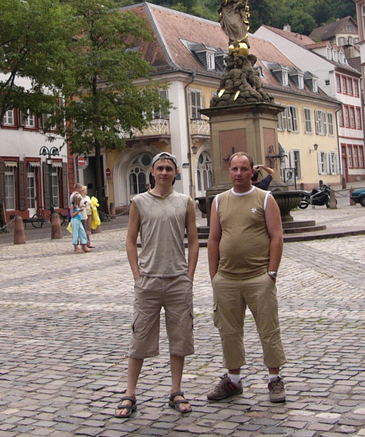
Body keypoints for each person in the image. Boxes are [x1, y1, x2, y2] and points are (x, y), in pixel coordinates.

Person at [115, 151, 199, 418]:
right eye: (160, 168)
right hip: (149, 280)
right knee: (139, 338)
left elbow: (194, 240)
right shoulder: (139, 201)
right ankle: (130, 393)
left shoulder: (185, 202)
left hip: (177, 280)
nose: (164, 172)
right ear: (152, 172)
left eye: (169, 168)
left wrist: (190, 274)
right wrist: (136, 274)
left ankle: (176, 390)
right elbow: (130, 239)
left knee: (180, 338)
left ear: (176, 172)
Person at [207, 152, 287, 404]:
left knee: (268, 329)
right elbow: (214, 239)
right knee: (229, 331)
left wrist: (271, 273)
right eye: (234, 169)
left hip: (258, 277)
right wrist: (214, 276)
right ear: (228, 171)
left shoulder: (265, 198)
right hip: (227, 279)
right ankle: (233, 379)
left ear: (253, 171)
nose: (239, 173)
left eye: (244, 169)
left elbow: (277, 236)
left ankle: (274, 379)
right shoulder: (219, 201)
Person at [69, 185, 90, 253]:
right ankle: (76, 247)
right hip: (75, 220)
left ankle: (84, 244)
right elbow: (72, 215)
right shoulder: (74, 202)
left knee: (83, 232)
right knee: (76, 233)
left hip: (79, 219)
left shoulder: (74, 196)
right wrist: (79, 210)